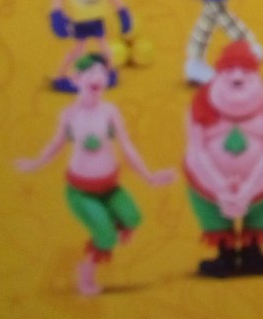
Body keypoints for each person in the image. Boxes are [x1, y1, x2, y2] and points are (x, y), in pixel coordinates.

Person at [15, 54, 175, 296]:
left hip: (110, 187)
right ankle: (87, 270)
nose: (97, 77)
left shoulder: (110, 112)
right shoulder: (69, 114)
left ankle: (110, 228)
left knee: (133, 218)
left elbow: (127, 146)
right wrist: (36, 162)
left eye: (102, 72)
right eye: (90, 72)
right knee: (106, 237)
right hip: (81, 192)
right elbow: (56, 144)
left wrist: (149, 176)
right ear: (76, 79)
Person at [184, 41, 263, 278]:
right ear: (218, 74)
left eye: (245, 70)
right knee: (210, 209)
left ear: (257, 74)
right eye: (229, 70)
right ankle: (225, 256)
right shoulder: (200, 104)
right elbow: (195, 152)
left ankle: (254, 254)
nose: (237, 77)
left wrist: (249, 189)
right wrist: (220, 188)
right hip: (209, 190)